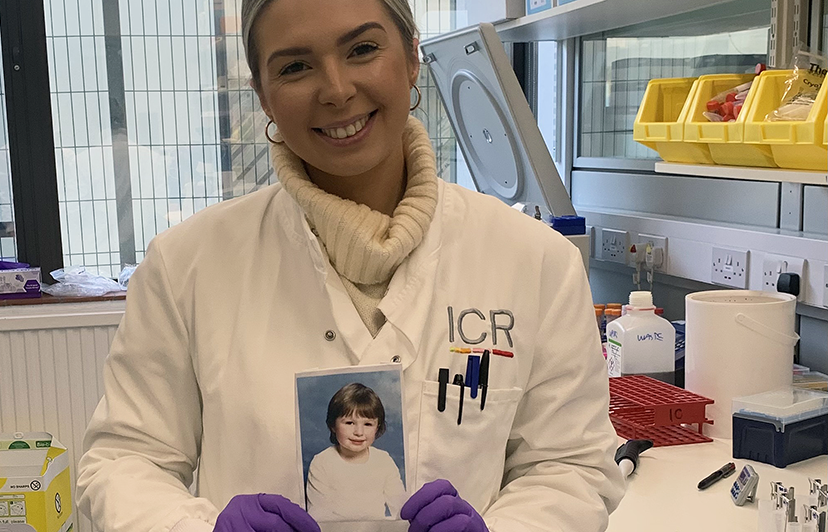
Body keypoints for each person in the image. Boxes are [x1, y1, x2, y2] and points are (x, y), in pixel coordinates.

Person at [76, 0, 626, 530]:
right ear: (263, 97)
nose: (337, 90)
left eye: (362, 49)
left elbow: (571, 466)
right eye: (295, 66)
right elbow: (126, 462)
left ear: (412, 59)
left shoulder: (535, 262)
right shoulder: (186, 265)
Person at [305, 383, 407, 521]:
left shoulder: (383, 460)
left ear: (377, 427)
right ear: (333, 425)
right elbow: (319, 516)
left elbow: (401, 509)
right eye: (349, 423)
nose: (359, 432)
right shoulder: (322, 462)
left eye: (368, 424)